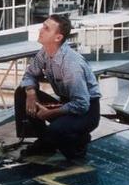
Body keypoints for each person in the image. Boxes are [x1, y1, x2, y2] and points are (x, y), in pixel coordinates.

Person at [15, 13, 101, 159]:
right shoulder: (45, 52)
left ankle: (79, 139)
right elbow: (29, 75)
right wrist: (31, 92)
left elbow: (82, 104)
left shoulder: (71, 65)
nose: (41, 30)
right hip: (66, 103)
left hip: (86, 112)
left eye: (46, 28)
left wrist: (50, 113)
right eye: (43, 26)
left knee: (57, 131)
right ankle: (44, 140)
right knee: (21, 92)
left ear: (58, 38)